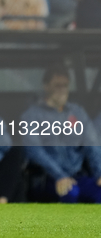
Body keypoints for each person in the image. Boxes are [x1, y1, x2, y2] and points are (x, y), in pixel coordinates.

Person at [22, 65, 101, 203]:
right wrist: (60, 176)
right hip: (46, 178)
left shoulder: (77, 112)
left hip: (78, 176)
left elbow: (92, 143)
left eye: (65, 85)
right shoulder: (32, 115)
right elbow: (34, 150)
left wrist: (99, 173)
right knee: (70, 192)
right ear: (46, 86)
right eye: (57, 85)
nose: (62, 90)